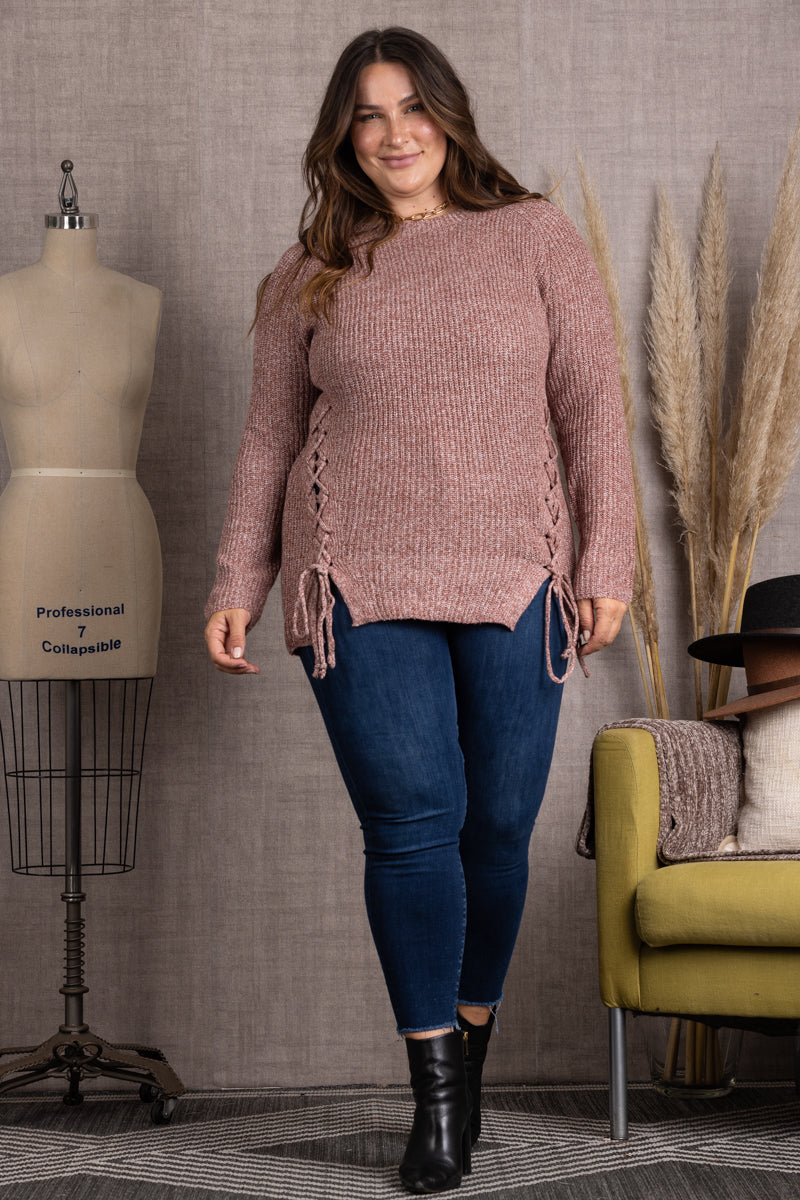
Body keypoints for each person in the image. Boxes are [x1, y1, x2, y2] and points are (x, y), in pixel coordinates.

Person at [205, 26, 634, 1195]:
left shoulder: (533, 236)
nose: (393, 135)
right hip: (354, 576)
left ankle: (469, 1039)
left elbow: (591, 408)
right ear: (341, 135)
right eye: (366, 114)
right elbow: (268, 437)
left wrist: (605, 561)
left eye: (411, 108)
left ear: (448, 116)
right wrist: (237, 580)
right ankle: (435, 1097)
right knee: (409, 825)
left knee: (497, 828)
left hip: (515, 574)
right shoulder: (310, 269)